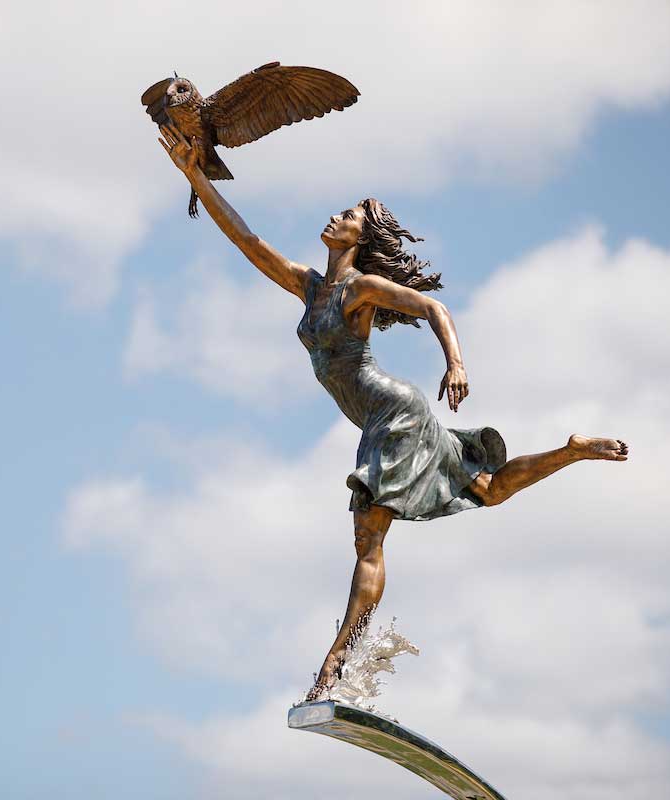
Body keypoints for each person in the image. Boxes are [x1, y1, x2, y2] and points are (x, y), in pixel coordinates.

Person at [156, 125, 629, 700]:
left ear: (361, 237)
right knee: (488, 490)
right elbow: (248, 240)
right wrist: (193, 174)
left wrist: (455, 362)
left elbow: (432, 305)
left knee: (369, 537)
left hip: (393, 413)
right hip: (394, 415)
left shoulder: (361, 289)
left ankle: (334, 667)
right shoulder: (311, 287)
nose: (336, 217)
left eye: (349, 216)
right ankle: (573, 450)